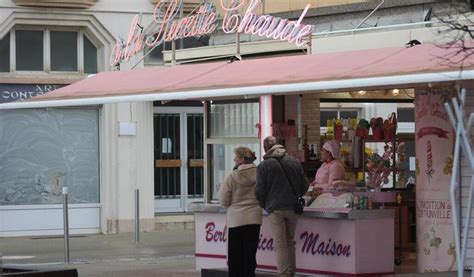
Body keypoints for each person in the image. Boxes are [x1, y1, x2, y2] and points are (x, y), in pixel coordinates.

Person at [256, 136, 308, 277]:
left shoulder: (264, 166)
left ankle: (283, 273)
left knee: (280, 244)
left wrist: (265, 204)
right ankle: (291, 272)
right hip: (293, 207)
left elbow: (259, 191)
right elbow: (304, 186)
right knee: (290, 241)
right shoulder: (294, 162)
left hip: (275, 208)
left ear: (266, 148)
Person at [219, 147, 262, 277]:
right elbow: (263, 194)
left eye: (236, 157)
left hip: (236, 220)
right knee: (250, 254)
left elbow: (224, 201)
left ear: (242, 159)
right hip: (254, 218)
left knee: (235, 256)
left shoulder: (232, 176)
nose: (234, 159)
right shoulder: (259, 174)